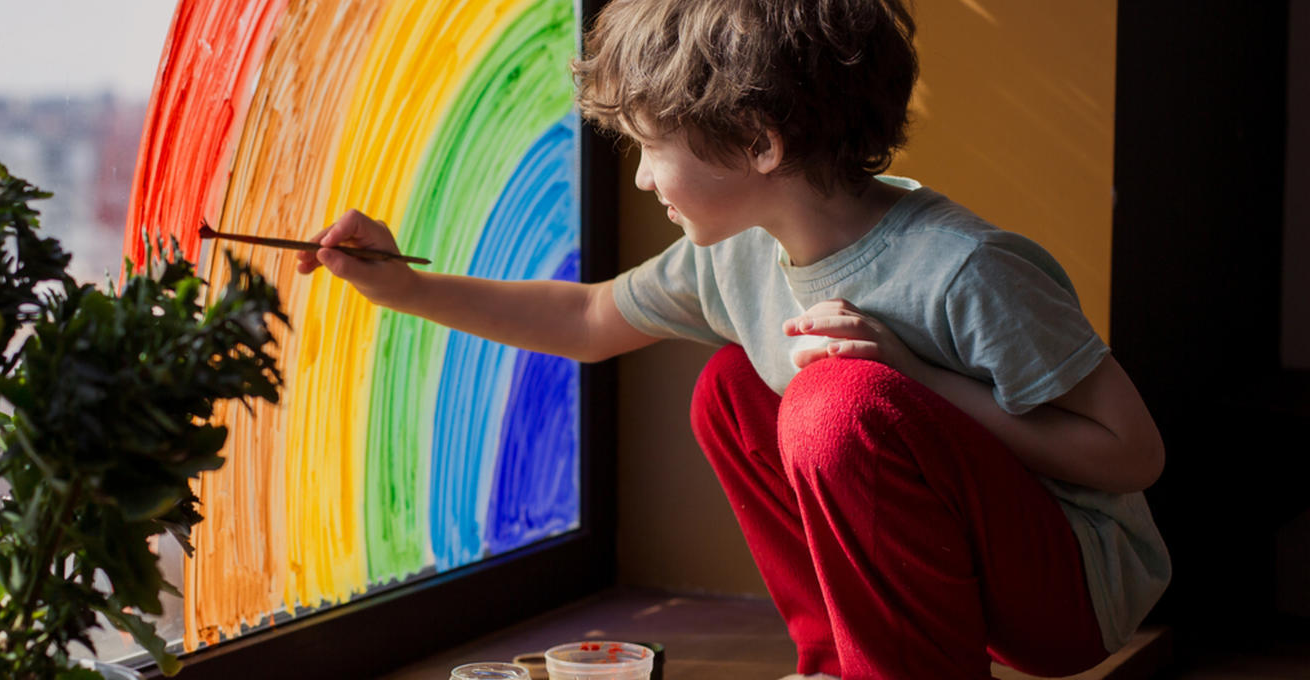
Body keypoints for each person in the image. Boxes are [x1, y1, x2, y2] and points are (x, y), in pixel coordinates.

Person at [296, 0, 1170, 677]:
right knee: (732, 391)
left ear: (755, 140)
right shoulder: (736, 257)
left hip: (1074, 591)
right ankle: (837, 659)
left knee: (835, 402)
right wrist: (402, 286)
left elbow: (1132, 455)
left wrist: (915, 380)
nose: (640, 177)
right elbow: (588, 319)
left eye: (649, 148)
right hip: (957, 565)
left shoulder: (964, 269)